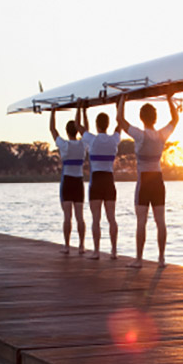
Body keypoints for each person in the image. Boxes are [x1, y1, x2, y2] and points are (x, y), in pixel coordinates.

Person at [117, 92, 181, 268]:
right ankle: (161, 259)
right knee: (160, 221)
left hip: (144, 181)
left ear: (141, 118)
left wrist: (122, 100)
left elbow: (120, 121)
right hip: (158, 181)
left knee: (141, 221)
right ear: (155, 118)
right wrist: (169, 100)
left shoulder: (140, 135)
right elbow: (175, 120)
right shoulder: (162, 135)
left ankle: (139, 259)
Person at [78, 100, 122, 260]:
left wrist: (81, 110)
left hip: (96, 181)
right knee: (112, 218)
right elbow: (120, 124)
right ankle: (114, 251)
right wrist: (119, 105)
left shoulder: (92, 139)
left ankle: (96, 251)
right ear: (107, 124)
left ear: (97, 125)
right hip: (109, 180)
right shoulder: (113, 140)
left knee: (96, 218)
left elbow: (78, 126)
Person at [50, 108, 86, 255]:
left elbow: (52, 129)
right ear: (77, 130)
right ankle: (82, 246)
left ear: (67, 131)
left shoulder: (64, 145)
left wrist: (53, 112)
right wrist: (82, 111)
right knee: (79, 216)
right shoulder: (83, 144)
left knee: (67, 216)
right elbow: (86, 130)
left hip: (67, 181)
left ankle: (67, 245)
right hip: (78, 182)